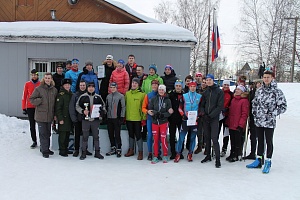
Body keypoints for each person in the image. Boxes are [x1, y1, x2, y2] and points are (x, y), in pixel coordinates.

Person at [246, 70, 287, 173]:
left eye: (268, 77)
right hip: (259, 121)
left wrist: (273, 113)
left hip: (269, 121)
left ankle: (268, 160)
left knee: (269, 141)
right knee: (260, 140)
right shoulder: (259, 90)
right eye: (264, 77)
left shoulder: (277, 91)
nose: (266, 79)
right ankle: (259, 159)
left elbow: (283, 106)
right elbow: (254, 103)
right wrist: (255, 113)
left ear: (272, 78)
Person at [29, 73, 58, 158]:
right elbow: (31, 99)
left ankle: (46, 148)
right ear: (44, 79)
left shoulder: (54, 90)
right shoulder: (39, 89)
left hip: (50, 115)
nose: (47, 79)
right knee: (43, 133)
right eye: (46, 78)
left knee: (48, 133)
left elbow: (56, 103)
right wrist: (40, 100)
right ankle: (44, 150)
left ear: (51, 79)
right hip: (41, 115)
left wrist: (55, 114)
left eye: (49, 78)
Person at [76, 82, 106, 160]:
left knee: (96, 137)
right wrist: (83, 111)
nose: (91, 88)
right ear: (87, 88)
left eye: (92, 87)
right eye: (89, 87)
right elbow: (77, 106)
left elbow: (103, 106)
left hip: (95, 121)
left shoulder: (98, 97)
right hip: (85, 120)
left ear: (94, 88)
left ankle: (97, 152)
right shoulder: (83, 97)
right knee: (85, 137)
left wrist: (102, 112)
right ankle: (83, 152)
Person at [174, 81, 202, 163]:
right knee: (181, 137)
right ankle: (178, 153)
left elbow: (201, 108)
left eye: (194, 86)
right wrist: (183, 115)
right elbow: (180, 107)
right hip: (185, 120)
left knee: (193, 137)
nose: (193, 88)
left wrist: (198, 116)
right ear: (189, 87)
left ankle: (190, 153)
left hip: (194, 120)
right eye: (191, 86)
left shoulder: (199, 96)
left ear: (196, 87)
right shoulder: (184, 96)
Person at [200, 74, 224, 168]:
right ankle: (208, 155)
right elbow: (202, 105)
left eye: (210, 80)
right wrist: (203, 114)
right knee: (207, 137)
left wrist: (211, 115)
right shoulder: (206, 92)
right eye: (207, 80)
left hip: (214, 118)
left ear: (213, 80)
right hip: (206, 118)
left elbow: (220, 106)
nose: (208, 81)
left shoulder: (219, 91)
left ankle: (217, 159)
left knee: (214, 138)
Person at [148, 84, 172, 164]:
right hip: (155, 122)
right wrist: (156, 113)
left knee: (163, 139)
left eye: (162, 90)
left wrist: (162, 115)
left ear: (164, 91)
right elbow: (150, 110)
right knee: (155, 140)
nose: (161, 91)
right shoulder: (154, 99)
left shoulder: (167, 100)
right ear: (158, 90)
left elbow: (169, 112)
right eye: (160, 90)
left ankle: (165, 155)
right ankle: (156, 156)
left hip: (163, 122)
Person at [69, 80, 92, 157]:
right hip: (77, 119)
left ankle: (85, 148)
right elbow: (72, 108)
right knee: (77, 135)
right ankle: (76, 149)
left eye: (84, 85)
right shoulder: (75, 95)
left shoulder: (89, 95)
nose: (82, 87)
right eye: (81, 85)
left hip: (86, 119)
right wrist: (74, 119)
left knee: (86, 135)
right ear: (79, 86)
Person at [226, 85, 249, 162]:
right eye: (236, 89)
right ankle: (232, 153)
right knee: (232, 139)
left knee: (237, 140)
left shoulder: (244, 101)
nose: (237, 90)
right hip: (232, 123)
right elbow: (230, 112)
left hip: (238, 124)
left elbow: (244, 114)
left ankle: (236, 154)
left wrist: (241, 124)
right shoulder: (233, 99)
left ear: (242, 91)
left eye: (239, 89)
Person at [124, 78, 146, 160]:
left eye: (136, 83)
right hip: (129, 118)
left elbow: (143, 107)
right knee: (130, 134)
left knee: (138, 135)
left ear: (138, 85)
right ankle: (131, 149)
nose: (134, 84)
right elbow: (125, 105)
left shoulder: (142, 95)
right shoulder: (127, 94)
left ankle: (140, 152)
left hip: (137, 118)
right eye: (133, 83)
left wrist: (143, 118)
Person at [105, 82, 126, 158]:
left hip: (117, 118)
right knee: (110, 134)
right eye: (111, 87)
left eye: (114, 87)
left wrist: (122, 117)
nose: (112, 89)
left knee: (117, 134)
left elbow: (123, 107)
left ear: (116, 88)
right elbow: (106, 106)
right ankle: (113, 147)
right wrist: (105, 115)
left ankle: (119, 148)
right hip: (109, 118)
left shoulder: (121, 96)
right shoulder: (108, 96)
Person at [22, 69, 41, 148]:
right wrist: (24, 107)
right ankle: (34, 141)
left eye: (35, 75)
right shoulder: (27, 84)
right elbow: (24, 95)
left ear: (37, 75)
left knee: (40, 124)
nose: (34, 76)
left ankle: (42, 141)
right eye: (32, 75)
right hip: (30, 107)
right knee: (32, 125)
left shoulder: (40, 84)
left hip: (39, 106)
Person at [243, 80, 262, 160]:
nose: (259, 85)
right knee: (252, 136)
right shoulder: (252, 92)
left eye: (261, 83)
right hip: (251, 116)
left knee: (257, 136)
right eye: (258, 83)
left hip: (260, 118)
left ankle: (259, 153)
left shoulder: (263, 93)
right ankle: (252, 152)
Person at [142, 79, 159, 160]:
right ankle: (150, 152)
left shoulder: (161, 94)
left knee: (157, 136)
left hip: (158, 119)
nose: (154, 86)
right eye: (153, 84)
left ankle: (158, 152)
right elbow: (143, 107)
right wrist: (147, 111)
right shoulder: (148, 95)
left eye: (156, 84)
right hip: (150, 118)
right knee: (150, 136)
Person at [55, 78, 73, 157]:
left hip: (69, 118)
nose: (67, 86)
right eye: (66, 85)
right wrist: (60, 118)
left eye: (68, 85)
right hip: (63, 118)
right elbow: (58, 108)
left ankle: (66, 148)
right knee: (62, 135)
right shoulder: (61, 95)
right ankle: (62, 150)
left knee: (67, 134)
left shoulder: (71, 94)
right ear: (63, 86)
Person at [168, 80, 184, 159]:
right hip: (172, 118)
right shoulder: (171, 94)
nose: (178, 87)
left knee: (181, 136)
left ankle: (180, 152)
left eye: (179, 86)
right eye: (177, 86)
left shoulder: (184, 95)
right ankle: (173, 152)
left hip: (182, 119)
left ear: (182, 87)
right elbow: (167, 104)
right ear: (175, 86)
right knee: (172, 136)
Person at [220, 80, 233, 157]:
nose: (226, 86)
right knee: (216, 132)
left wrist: (228, 108)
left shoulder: (231, 94)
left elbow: (233, 104)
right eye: (224, 85)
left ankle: (224, 148)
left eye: (227, 85)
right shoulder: (219, 93)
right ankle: (215, 148)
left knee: (226, 133)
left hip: (227, 116)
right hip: (218, 115)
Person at [194, 77, 207, 154]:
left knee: (206, 132)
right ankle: (199, 145)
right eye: (203, 82)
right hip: (198, 113)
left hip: (206, 113)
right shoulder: (198, 91)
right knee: (199, 131)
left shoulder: (208, 91)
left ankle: (206, 146)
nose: (204, 83)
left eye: (205, 82)